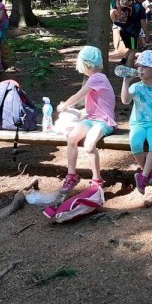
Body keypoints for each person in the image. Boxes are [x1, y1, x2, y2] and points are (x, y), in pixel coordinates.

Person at [56, 46, 117, 196]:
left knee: (89, 145)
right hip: (91, 119)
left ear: (85, 64)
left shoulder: (97, 78)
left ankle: (97, 180)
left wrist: (63, 106)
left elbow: (78, 96)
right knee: (72, 138)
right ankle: (71, 175)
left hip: (104, 121)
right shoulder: (94, 79)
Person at [119, 50, 152, 197]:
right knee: (136, 143)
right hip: (138, 124)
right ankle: (147, 172)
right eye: (139, 66)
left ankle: (143, 176)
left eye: (144, 66)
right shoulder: (136, 86)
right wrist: (126, 82)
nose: (140, 69)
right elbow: (125, 100)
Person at [115, 0, 149, 68]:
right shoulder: (141, 8)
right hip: (132, 34)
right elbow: (143, 22)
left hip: (124, 31)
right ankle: (129, 70)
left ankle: (123, 62)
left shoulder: (131, 5)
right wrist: (146, 34)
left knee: (131, 48)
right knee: (133, 50)